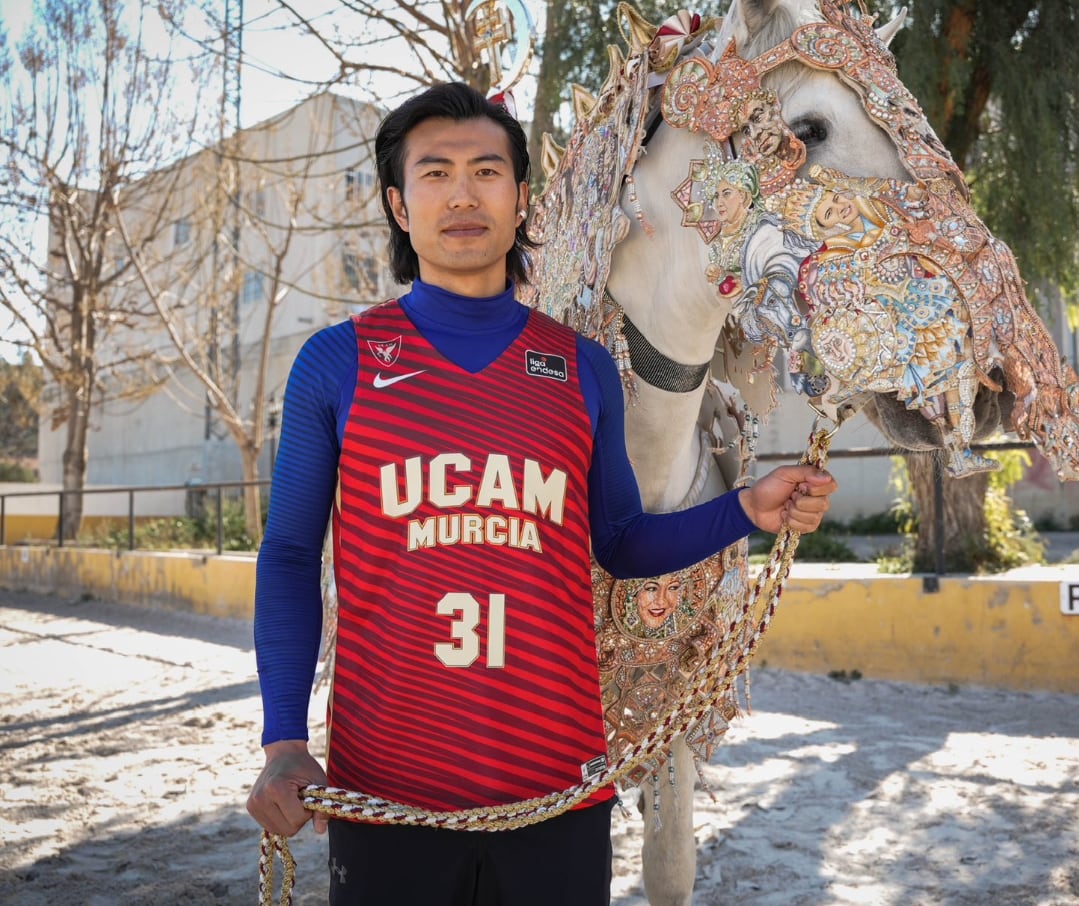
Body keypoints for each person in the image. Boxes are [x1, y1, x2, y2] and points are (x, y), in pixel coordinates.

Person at [246, 81, 838, 906]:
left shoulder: (580, 367)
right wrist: (281, 738)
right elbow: (285, 556)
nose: (462, 193)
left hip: (558, 792)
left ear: (521, 198)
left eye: (487, 171)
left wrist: (745, 508)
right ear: (396, 202)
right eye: (434, 172)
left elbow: (620, 541)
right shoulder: (338, 361)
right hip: (387, 793)